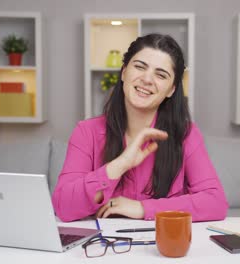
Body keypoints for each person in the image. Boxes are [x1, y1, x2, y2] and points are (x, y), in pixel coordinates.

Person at [52, 33, 228, 222]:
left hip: (161, 246)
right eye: (139, 67)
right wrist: (120, 164)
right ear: (124, 72)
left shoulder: (186, 134)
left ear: (171, 89)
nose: (147, 79)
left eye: (161, 75)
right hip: (104, 247)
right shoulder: (87, 132)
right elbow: (63, 206)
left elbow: (215, 202)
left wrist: (144, 208)